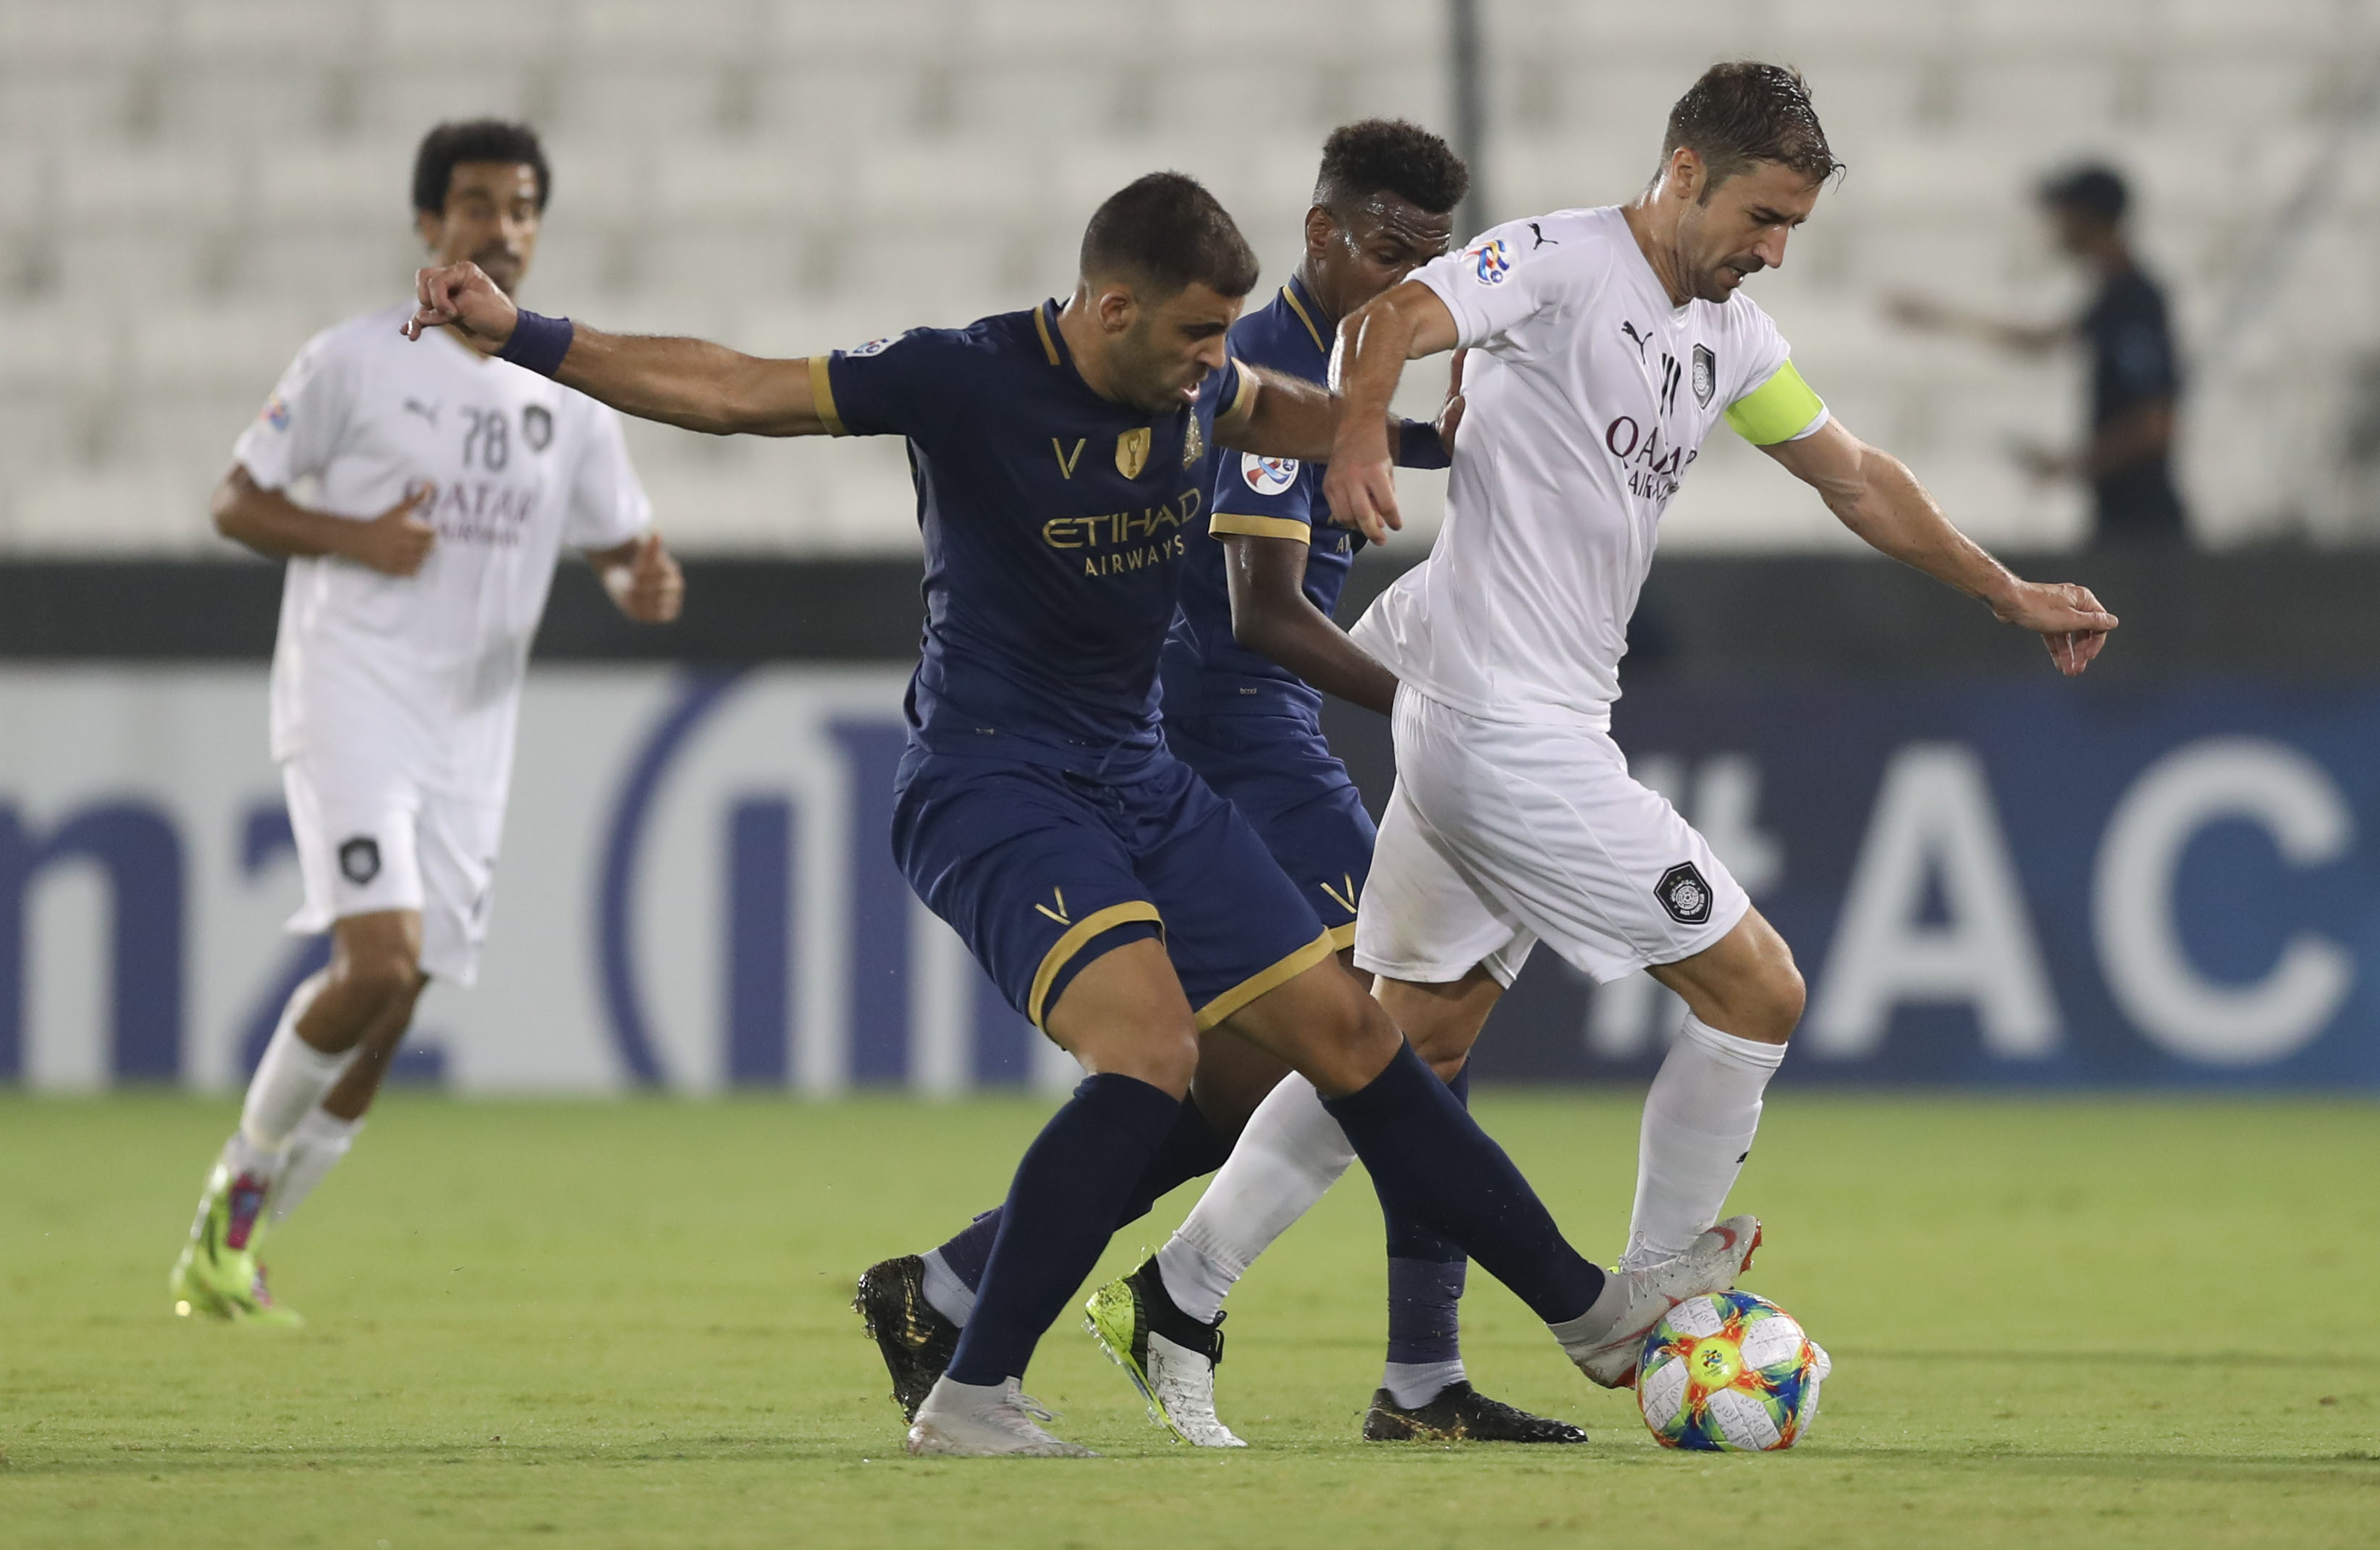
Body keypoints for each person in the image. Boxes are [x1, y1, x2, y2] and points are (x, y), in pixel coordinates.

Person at [405, 170, 1762, 1457]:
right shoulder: (966, 376)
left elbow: (1268, 407)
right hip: (993, 777)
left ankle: (1586, 1317)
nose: (1207, 360)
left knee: (1350, 1031)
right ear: (1111, 307)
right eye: (1190, 334)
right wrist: (525, 332)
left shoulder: (1194, 379)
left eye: (1218, 337)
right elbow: (738, 389)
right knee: (1152, 1050)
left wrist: (1401, 433)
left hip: (1139, 771)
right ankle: (974, 1390)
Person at [1103, 62, 2119, 1433]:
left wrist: (2008, 590)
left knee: (1395, 1036)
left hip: (1514, 711)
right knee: (1756, 990)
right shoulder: (1563, 260)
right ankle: (1646, 1296)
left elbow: (1856, 477)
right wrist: (1359, 438)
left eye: (1792, 233)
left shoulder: (1733, 339)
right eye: (1759, 216)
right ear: (1684, 172)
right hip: (1498, 726)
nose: (1769, 250)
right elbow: (1394, 317)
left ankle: (1178, 1288)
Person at [853, 123, 1581, 1448]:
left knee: (1280, 1072)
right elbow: (1261, 613)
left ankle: (955, 1282)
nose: (1396, 281)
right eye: (1379, 249)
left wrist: (1428, 442)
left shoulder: (1328, 375)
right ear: (1319, 234)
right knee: (1395, 1023)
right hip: (1227, 733)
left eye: (1425, 261)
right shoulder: (1271, 362)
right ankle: (1402, 1369)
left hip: (1235, 733)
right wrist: (1444, 707)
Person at [169, 119, 684, 1326]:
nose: (498, 226)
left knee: (400, 998)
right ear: (427, 223)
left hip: (471, 732)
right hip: (351, 694)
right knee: (378, 960)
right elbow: (235, 502)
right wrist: (358, 537)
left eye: (519, 206)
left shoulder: (568, 394)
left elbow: (624, 548)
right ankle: (231, 1195)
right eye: (473, 202)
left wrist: (645, 583)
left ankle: (234, 1254)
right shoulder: (353, 360)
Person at [1890, 162, 2188, 546]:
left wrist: (2072, 465)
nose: (2057, 225)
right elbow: (2038, 342)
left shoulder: (2135, 300)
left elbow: (2155, 424)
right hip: (2123, 513)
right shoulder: (2112, 297)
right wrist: (1942, 319)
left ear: (2090, 217)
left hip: (2145, 524)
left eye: (2066, 213)